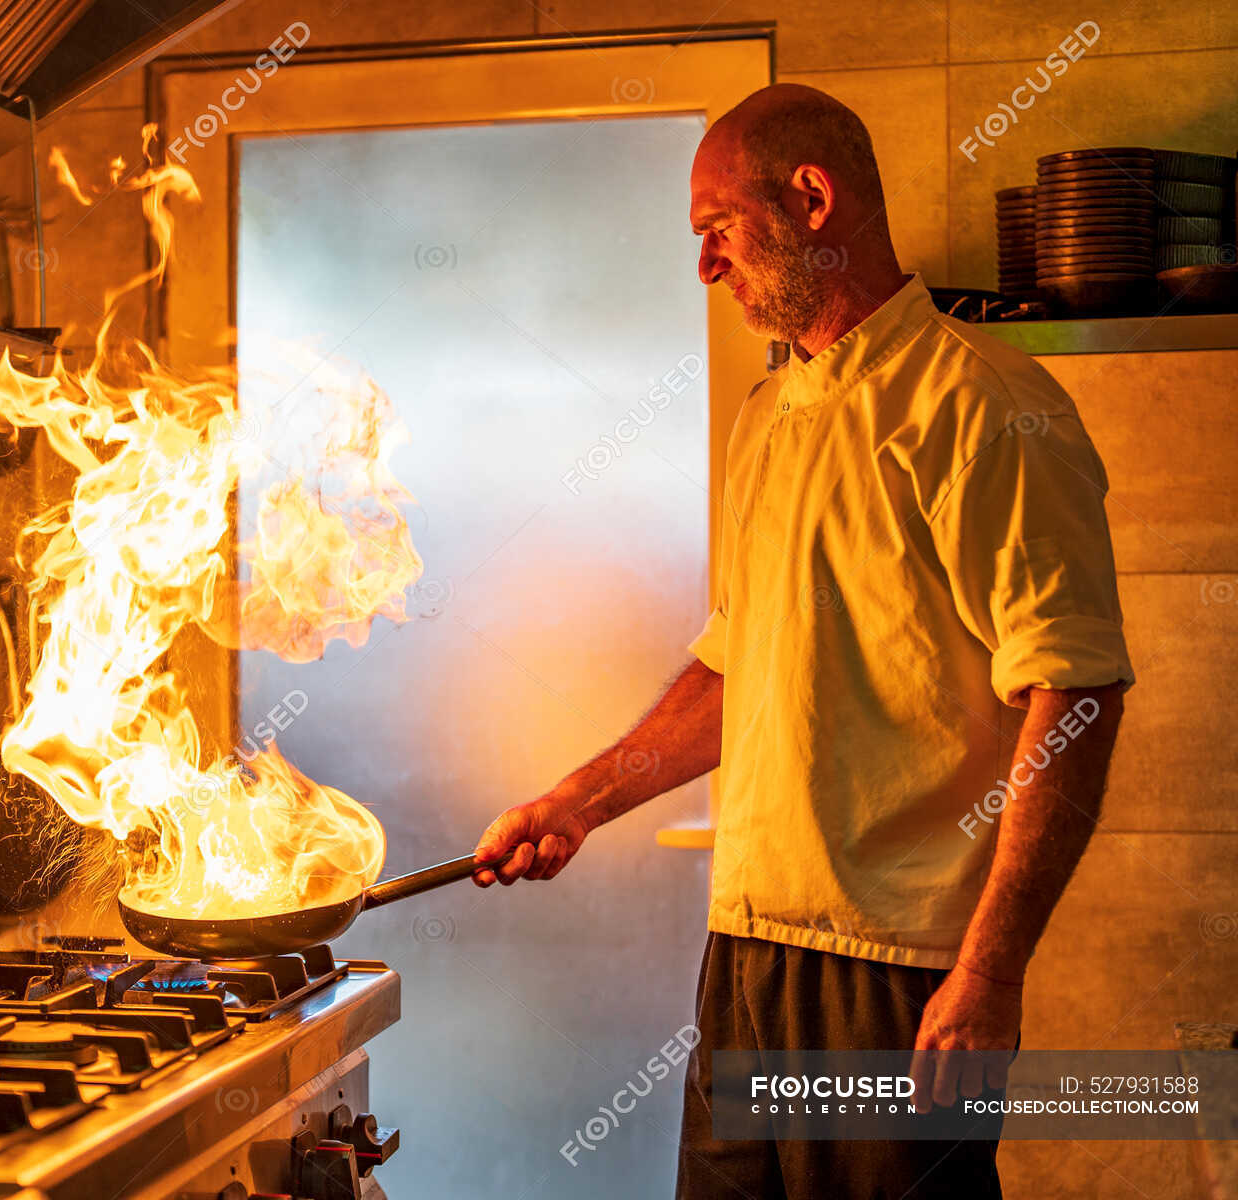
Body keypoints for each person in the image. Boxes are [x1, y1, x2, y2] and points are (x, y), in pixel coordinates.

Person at [473, 83, 1133, 1199]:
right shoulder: (768, 425)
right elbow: (742, 667)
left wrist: (990, 969)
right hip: (745, 952)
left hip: (889, 978)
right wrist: (579, 800)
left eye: (716, 228)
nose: (706, 266)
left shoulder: (983, 409)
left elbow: (1074, 695)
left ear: (811, 200)